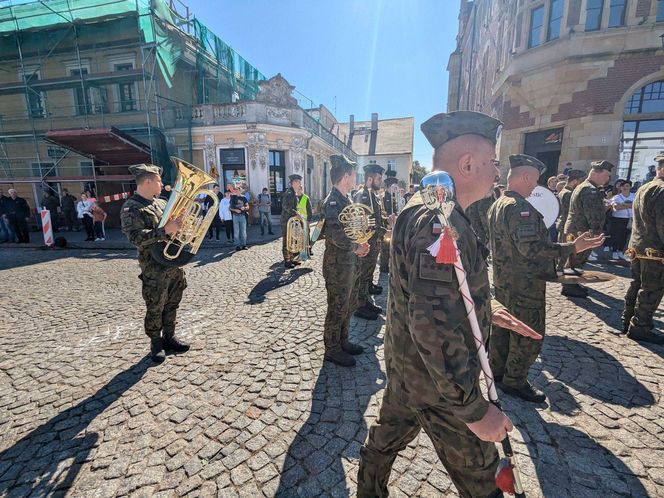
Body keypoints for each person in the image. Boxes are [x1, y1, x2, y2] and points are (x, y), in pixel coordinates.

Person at [357, 111, 542, 498]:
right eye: (492, 163)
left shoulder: (436, 207)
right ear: (468, 163)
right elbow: (434, 325)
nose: (497, 173)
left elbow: (438, 297)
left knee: (384, 440)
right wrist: (475, 410)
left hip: (411, 371)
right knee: (484, 482)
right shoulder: (436, 219)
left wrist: (487, 308)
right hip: (440, 385)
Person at [488, 154, 604, 403]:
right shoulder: (520, 209)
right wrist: (572, 247)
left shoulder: (499, 203)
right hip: (524, 284)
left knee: (502, 328)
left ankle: (496, 373)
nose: (536, 187)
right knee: (529, 332)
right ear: (526, 176)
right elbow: (533, 249)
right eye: (535, 181)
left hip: (503, 280)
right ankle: (514, 381)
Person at [120, 163, 190, 363]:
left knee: (172, 302)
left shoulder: (160, 203)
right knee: (155, 305)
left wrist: (179, 224)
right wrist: (165, 230)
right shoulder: (131, 207)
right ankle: (155, 343)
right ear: (148, 181)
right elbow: (135, 238)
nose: (162, 184)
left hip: (172, 262)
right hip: (154, 266)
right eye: (158, 180)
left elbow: (172, 229)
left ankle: (170, 337)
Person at [319, 155, 369, 367]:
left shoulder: (346, 199)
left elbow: (353, 229)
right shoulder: (332, 201)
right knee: (337, 306)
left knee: (348, 304)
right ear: (345, 176)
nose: (355, 177)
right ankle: (332, 349)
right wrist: (356, 246)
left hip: (350, 262)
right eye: (353, 173)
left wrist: (363, 241)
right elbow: (335, 235)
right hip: (337, 264)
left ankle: (343, 341)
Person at [621, 156, 664, 344]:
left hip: (638, 247)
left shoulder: (644, 187)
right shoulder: (662, 190)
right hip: (655, 250)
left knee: (637, 284)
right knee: (652, 289)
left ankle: (627, 318)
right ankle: (640, 326)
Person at [562, 160, 614, 298]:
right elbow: (594, 214)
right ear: (596, 173)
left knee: (576, 258)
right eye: (606, 175)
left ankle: (572, 283)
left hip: (577, 229)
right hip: (582, 231)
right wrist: (596, 234)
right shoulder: (590, 189)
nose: (608, 178)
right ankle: (569, 286)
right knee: (576, 259)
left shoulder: (584, 186)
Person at [353, 164, 386, 320]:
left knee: (368, 274)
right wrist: (385, 231)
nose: (381, 182)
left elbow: (376, 219)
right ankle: (359, 306)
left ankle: (365, 300)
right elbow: (365, 224)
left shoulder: (372, 194)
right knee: (363, 274)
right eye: (379, 178)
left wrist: (387, 222)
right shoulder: (363, 195)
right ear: (370, 178)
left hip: (373, 243)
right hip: (366, 244)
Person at [555, 169, 586, 272]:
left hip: (562, 224)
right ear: (576, 181)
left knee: (563, 252)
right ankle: (565, 279)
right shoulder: (569, 194)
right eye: (581, 181)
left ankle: (561, 272)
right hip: (567, 226)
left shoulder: (563, 191)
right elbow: (573, 212)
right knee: (567, 253)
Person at [379, 173, 400, 273]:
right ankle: (383, 266)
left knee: (389, 244)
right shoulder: (386, 197)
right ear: (388, 187)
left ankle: (387, 264)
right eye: (393, 187)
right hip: (387, 224)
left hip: (392, 222)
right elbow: (385, 211)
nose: (395, 189)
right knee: (385, 245)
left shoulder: (392, 197)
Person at [609, 180, 634, 260]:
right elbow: (616, 207)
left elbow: (635, 206)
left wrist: (623, 204)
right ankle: (614, 251)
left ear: (630, 187)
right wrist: (629, 205)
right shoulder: (616, 197)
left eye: (627, 186)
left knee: (625, 236)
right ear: (620, 187)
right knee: (616, 235)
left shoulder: (634, 195)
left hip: (629, 219)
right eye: (623, 186)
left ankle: (620, 251)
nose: (625, 188)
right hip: (617, 219)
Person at [280, 174, 302, 268]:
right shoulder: (289, 193)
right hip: (287, 221)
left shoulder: (294, 193)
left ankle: (293, 258)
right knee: (287, 240)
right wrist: (295, 214)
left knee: (293, 239)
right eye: (298, 182)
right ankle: (287, 260)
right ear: (293, 183)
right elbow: (285, 206)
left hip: (292, 221)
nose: (300, 184)